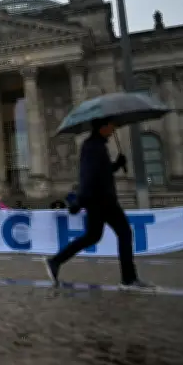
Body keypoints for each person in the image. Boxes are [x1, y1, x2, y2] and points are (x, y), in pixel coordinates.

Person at [44, 119, 154, 291]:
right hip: (102, 200)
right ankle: (128, 279)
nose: (113, 128)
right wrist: (80, 201)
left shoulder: (96, 145)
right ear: (103, 127)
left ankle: (55, 261)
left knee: (93, 236)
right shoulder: (92, 147)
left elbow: (101, 172)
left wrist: (116, 165)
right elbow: (87, 175)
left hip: (99, 200)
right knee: (124, 233)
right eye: (111, 125)